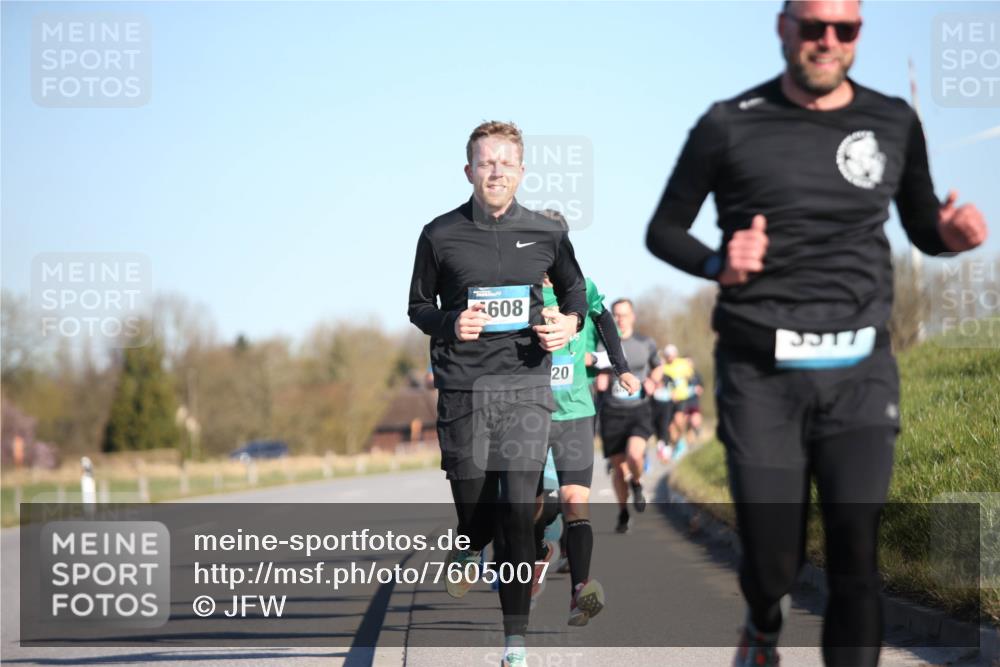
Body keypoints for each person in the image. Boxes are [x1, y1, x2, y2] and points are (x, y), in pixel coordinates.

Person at [645, 2, 987, 665]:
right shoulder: (727, 124)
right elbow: (663, 229)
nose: (827, 41)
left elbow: (921, 223)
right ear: (783, 28)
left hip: (860, 374)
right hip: (760, 375)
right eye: (812, 26)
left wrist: (951, 237)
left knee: (856, 550)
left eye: (845, 28)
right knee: (774, 560)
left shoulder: (893, 120)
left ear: (858, 33)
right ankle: (763, 621)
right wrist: (718, 263)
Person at [408, 120, 588, 667]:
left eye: (505, 162)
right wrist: (449, 323)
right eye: (486, 162)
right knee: (475, 513)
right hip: (464, 389)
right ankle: (467, 545)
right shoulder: (439, 235)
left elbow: (575, 290)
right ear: (469, 170)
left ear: (521, 170)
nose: (496, 171)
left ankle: (515, 641)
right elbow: (417, 307)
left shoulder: (547, 234)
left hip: (526, 385)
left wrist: (570, 324)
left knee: (515, 508)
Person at [531, 215, 639, 623]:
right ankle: (538, 551)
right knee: (533, 507)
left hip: (576, 409)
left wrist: (622, 366)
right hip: (529, 412)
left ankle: (579, 590)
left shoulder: (582, 286)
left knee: (576, 499)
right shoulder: (517, 289)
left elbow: (603, 318)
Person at [595, 299, 662, 534]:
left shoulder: (646, 342)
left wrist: (654, 380)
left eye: (624, 315)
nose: (620, 319)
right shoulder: (603, 343)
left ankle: (637, 482)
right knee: (618, 469)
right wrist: (599, 379)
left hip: (638, 409)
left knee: (634, 455)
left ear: (632, 316)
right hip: (612, 412)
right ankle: (623, 511)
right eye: (616, 315)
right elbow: (594, 366)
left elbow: (658, 366)